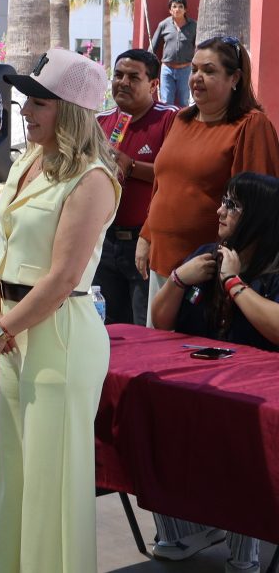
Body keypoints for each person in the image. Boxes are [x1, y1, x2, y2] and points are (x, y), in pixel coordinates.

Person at [0, 48, 120, 572]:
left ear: (73, 112)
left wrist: (1, 328)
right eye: (26, 100)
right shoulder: (28, 161)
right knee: (16, 478)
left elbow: (62, 278)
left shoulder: (93, 178)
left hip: (59, 339)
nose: (25, 110)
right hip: (14, 335)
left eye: (39, 102)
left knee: (52, 487)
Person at [148, 171, 279, 573]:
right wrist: (177, 279)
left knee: (243, 435)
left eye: (233, 206)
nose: (220, 211)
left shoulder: (273, 268)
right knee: (153, 411)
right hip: (200, 386)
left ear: (258, 216)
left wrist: (234, 283)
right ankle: (184, 530)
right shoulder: (207, 255)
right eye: (223, 201)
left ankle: (245, 552)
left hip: (257, 398)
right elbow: (161, 321)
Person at [137, 36, 279, 323]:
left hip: (208, 272)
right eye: (194, 69)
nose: (196, 78)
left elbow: (258, 205)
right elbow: (163, 185)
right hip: (163, 264)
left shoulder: (250, 125)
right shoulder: (181, 119)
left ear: (235, 78)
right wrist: (146, 235)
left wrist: (228, 269)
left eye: (209, 70)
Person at [93, 50, 178, 326]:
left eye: (133, 77)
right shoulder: (100, 121)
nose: (123, 82)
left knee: (143, 329)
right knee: (105, 329)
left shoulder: (171, 119)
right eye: (118, 75)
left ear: (153, 84)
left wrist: (131, 167)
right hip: (104, 242)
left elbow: (178, 176)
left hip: (146, 243)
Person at [149, 0, 197, 106]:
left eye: (180, 6)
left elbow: (199, 47)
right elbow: (153, 47)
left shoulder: (194, 26)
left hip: (186, 70)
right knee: (166, 102)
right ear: (170, 10)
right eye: (174, 6)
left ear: (185, 10)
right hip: (167, 70)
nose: (177, 9)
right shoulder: (163, 25)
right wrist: (147, 65)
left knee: (184, 103)